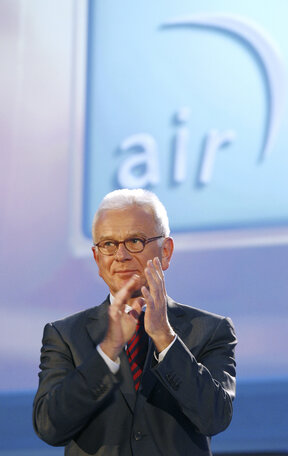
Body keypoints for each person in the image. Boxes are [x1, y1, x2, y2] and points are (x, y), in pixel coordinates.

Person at [33, 188, 237, 456]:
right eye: (108, 244)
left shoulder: (211, 330)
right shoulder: (64, 335)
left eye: (135, 241)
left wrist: (165, 339)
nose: (121, 255)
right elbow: (50, 427)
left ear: (166, 251)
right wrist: (107, 352)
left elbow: (215, 417)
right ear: (97, 258)